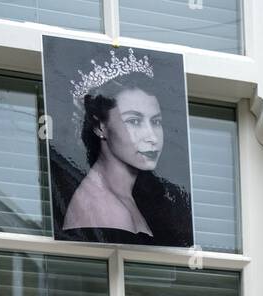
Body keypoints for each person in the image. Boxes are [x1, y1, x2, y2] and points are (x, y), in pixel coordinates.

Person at [56, 55, 192, 246]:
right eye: (134, 121)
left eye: (156, 121)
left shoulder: (126, 196)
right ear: (100, 126)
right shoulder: (105, 209)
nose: (152, 137)